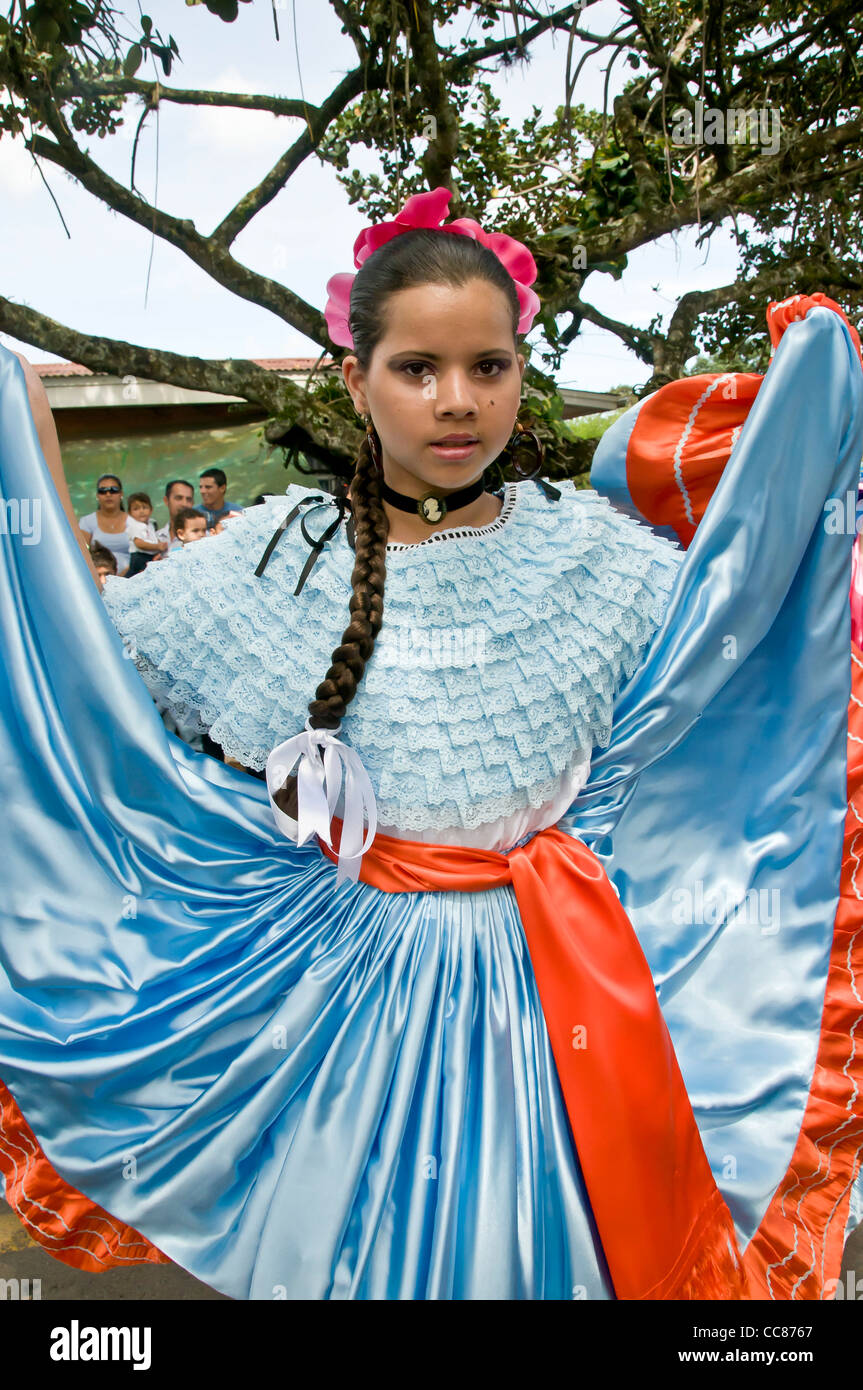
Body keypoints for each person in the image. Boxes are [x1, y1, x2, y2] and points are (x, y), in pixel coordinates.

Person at [0, 189, 861, 1304]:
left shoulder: (598, 558)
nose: (456, 403)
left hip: (557, 1012)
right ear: (356, 381)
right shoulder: (256, 565)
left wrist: (806, 424)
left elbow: (744, 644)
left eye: (488, 367)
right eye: (415, 369)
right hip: (331, 1008)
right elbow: (72, 684)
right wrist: (20, 457)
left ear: (518, 370)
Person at [78, 473, 136, 576]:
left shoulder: (134, 521)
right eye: (103, 491)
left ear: (121, 494)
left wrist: (125, 574)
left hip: (132, 575)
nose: (108, 494)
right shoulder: (86, 522)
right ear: (97, 495)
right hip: (99, 578)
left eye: (113, 490)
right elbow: (82, 555)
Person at [154, 479, 195, 548]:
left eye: (189, 499)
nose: (184, 504)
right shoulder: (155, 538)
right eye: (179, 498)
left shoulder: (203, 537)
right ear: (166, 501)